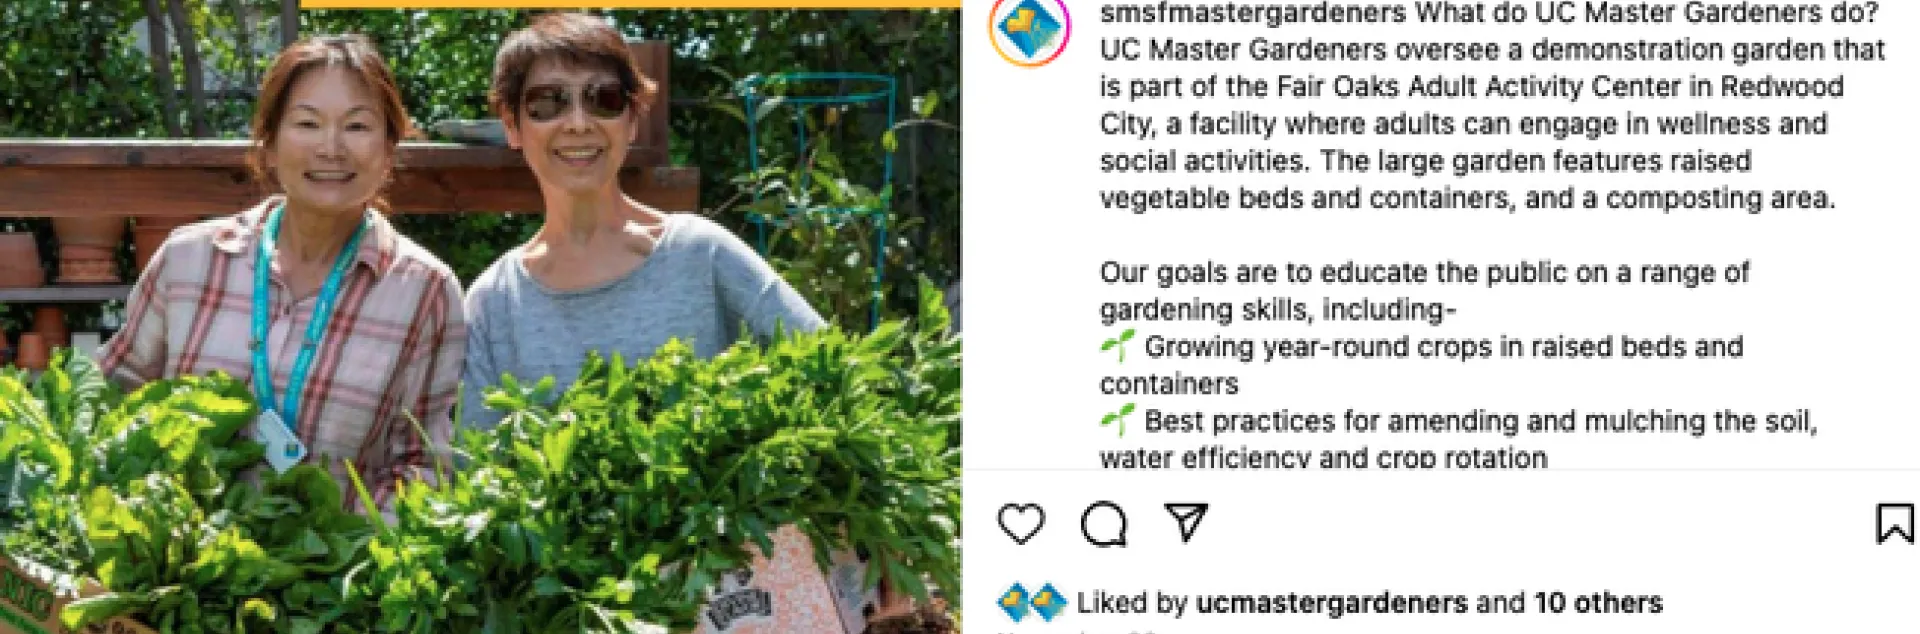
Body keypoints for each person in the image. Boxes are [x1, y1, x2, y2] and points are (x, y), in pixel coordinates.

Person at [95, 35, 467, 512]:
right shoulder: (188, 260)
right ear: (268, 145)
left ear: (389, 150)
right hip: (171, 571)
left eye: (357, 126)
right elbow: (115, 398)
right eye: (307, 124)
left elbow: (424, 467)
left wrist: (336, 555)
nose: (331, 148)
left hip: (332, 576)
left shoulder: (425, 291)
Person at [459, 12, 824, 431]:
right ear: (513, 127)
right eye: (548, 102)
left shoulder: (700, 255)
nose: (579, 123)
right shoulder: (494, 302)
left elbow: (827, 366)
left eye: (605, 100)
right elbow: (479, 469)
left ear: (632, 121)